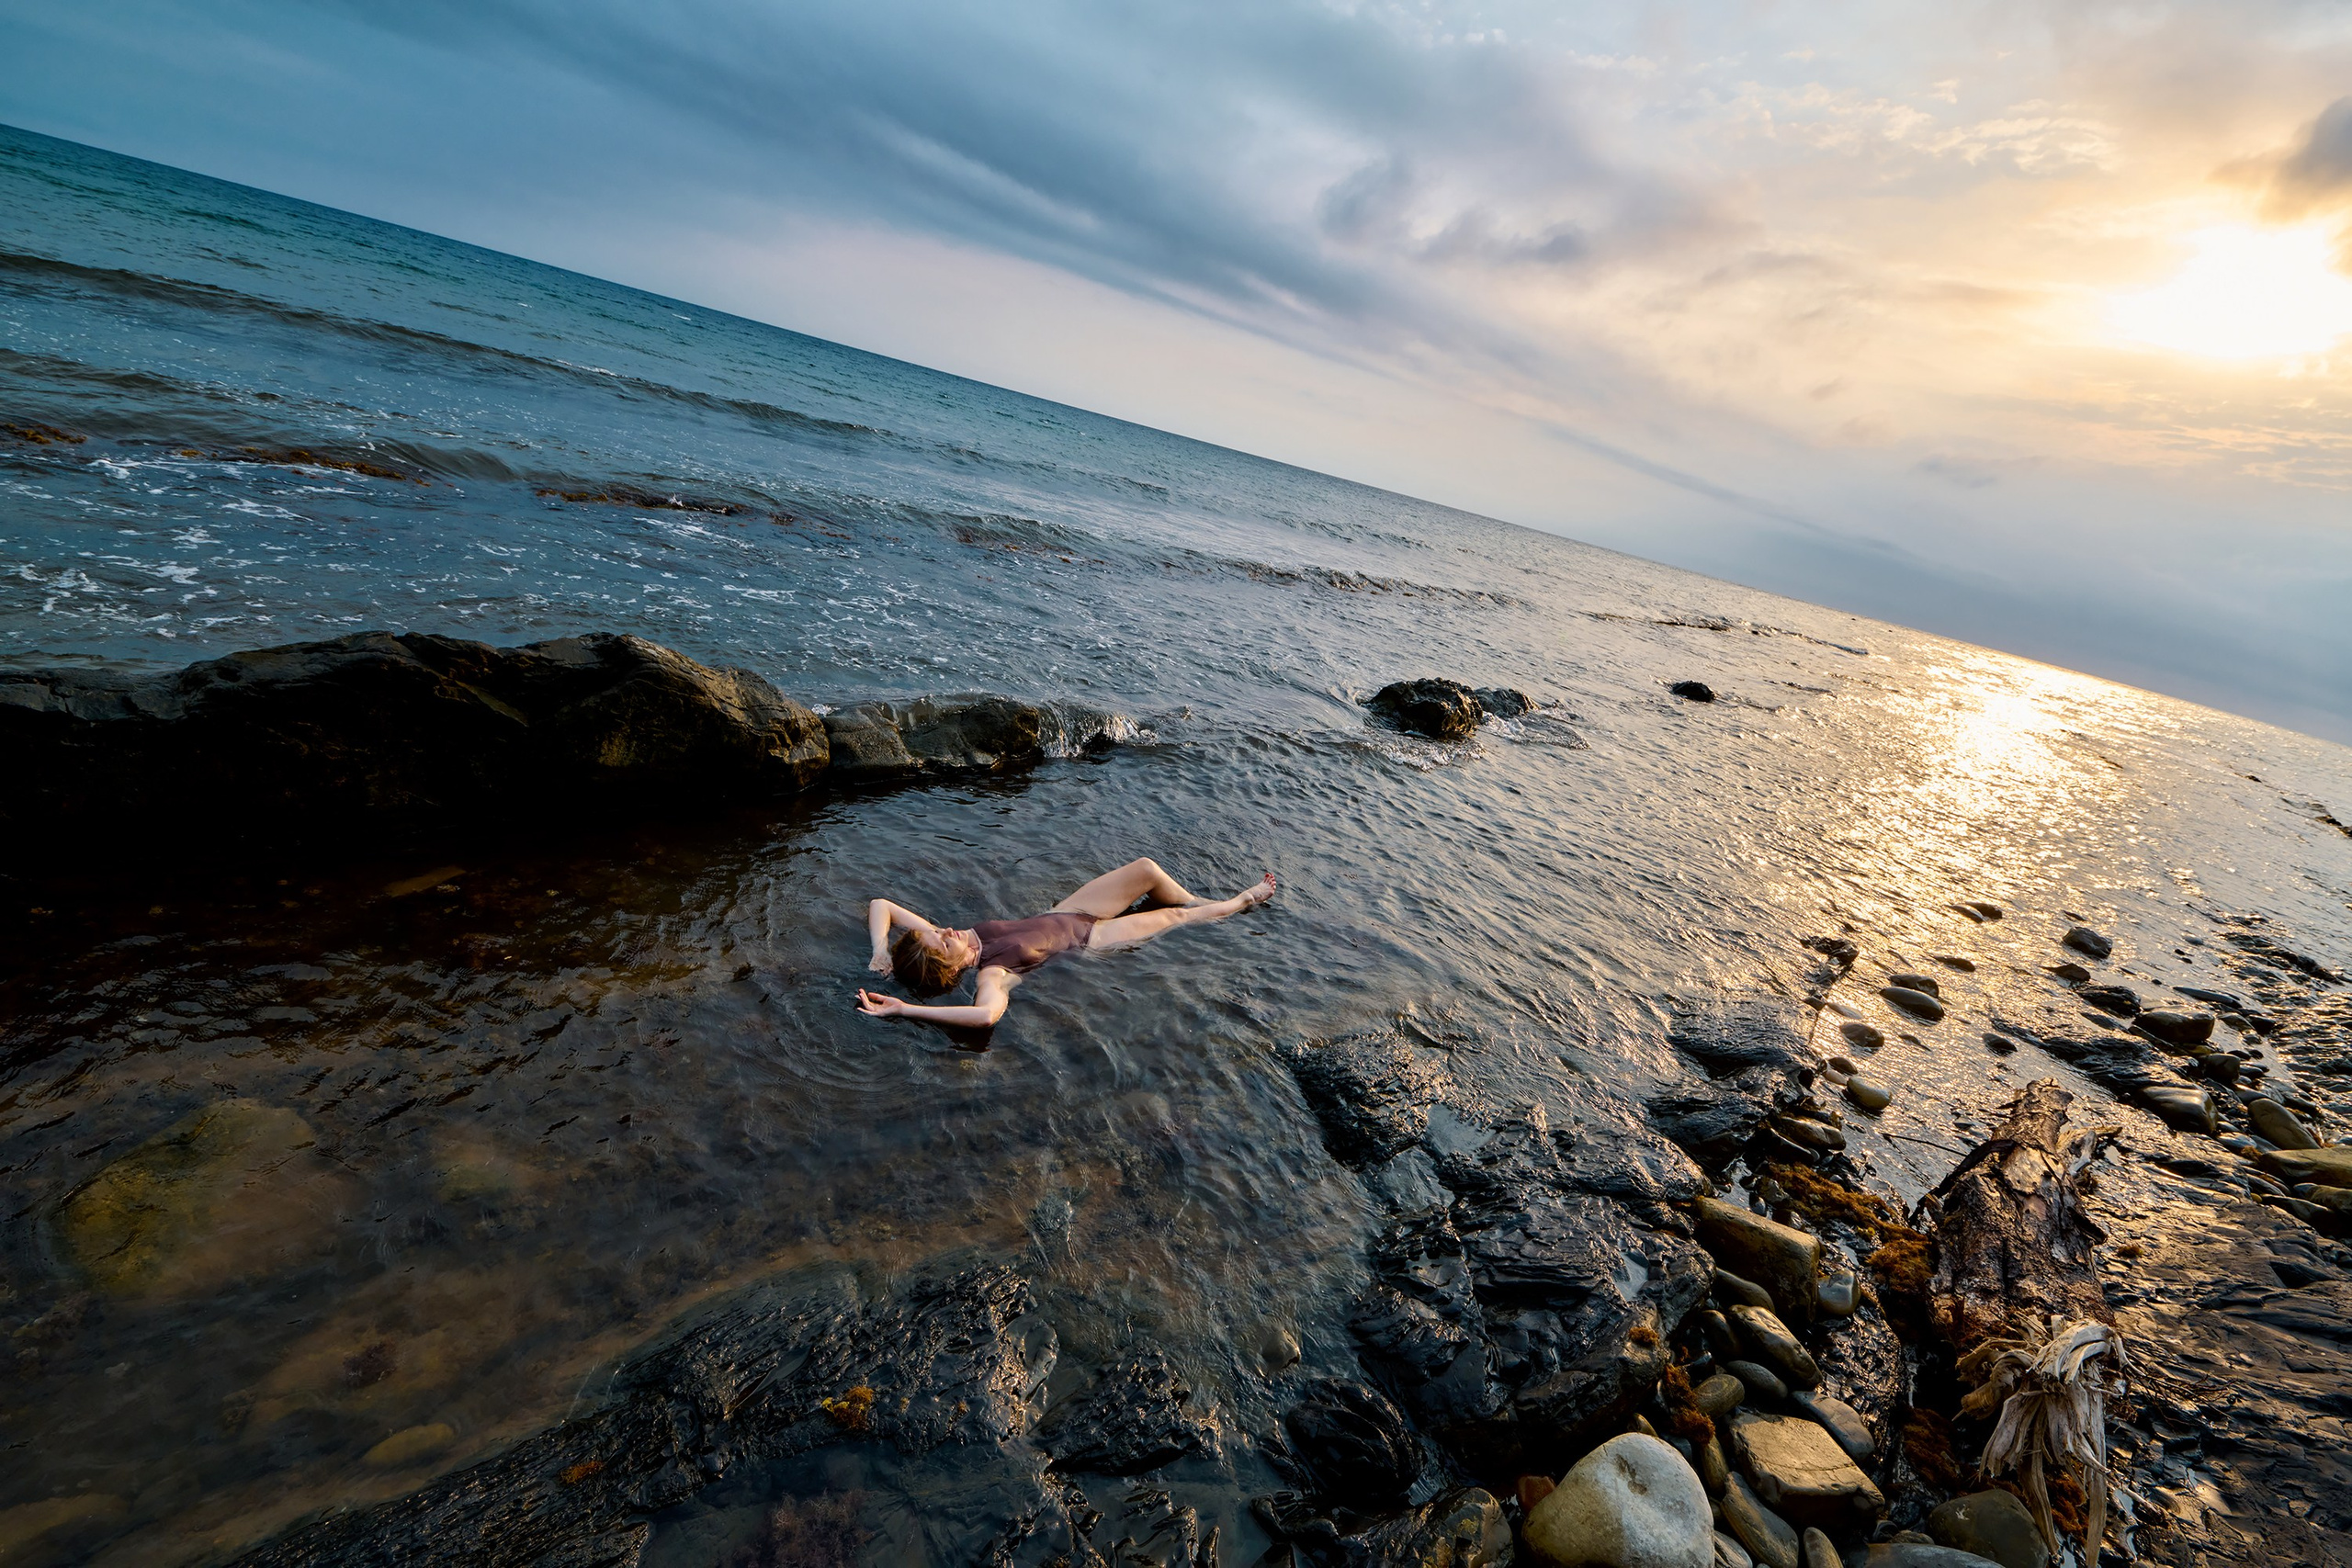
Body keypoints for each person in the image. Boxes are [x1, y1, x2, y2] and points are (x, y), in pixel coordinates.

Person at [856, 857, 1276, 1029]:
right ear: (949, 968)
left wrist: (880, 950)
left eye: (937, 931)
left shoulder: (964, 938)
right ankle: (1241, 901)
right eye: (942, 942)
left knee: (1147, 870)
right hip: (1092, 938)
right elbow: (985, 1016)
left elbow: (882, 905)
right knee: (1175, 919)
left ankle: (1193, 899)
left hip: (1070, 910)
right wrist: (905, 1009)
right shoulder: (994, 974)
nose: (946, 930)